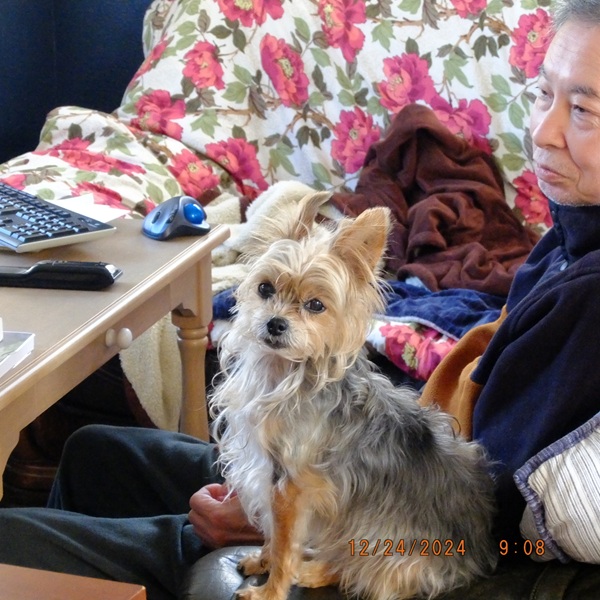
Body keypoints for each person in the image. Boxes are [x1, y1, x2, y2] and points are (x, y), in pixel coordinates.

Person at [2, 0, 600, 596]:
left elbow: (495, 527)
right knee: (93, 452)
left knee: (14, 538)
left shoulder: (587, 300)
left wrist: (293, 520)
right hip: (399, 476)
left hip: (400, 540)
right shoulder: (567, 237)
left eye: (581, 110)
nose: (542, 132)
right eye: (543, 94)